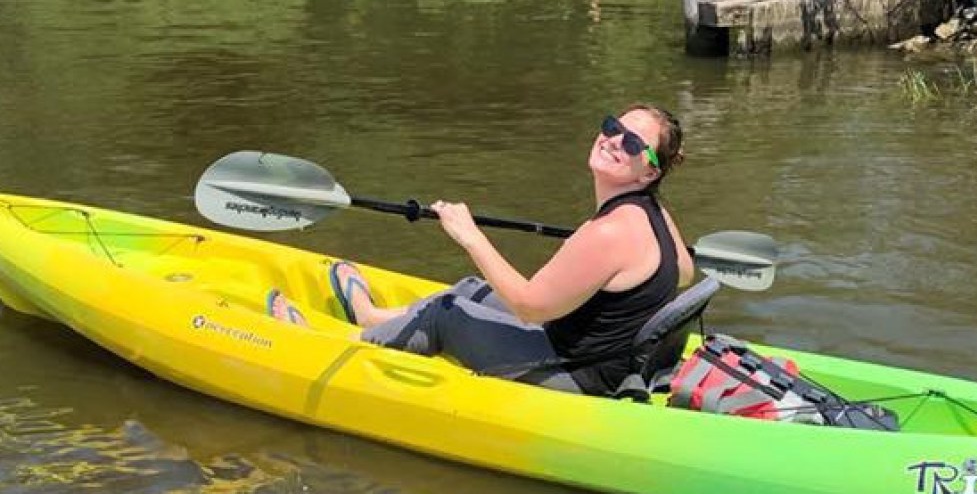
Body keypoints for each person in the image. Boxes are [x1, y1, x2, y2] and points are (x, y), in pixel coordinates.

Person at [267, 105, 694, 395]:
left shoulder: (609, 232)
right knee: (473, 288)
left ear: (647, 172)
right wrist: (611, 277)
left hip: (575, 371)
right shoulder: (653, 211)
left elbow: (529, 307)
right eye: (612, 127)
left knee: (447, 313)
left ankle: (339, 342)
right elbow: (685, 270)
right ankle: (373, 317)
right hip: (591, 349)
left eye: (634, 144)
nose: (615, 141)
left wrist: (470, 235)